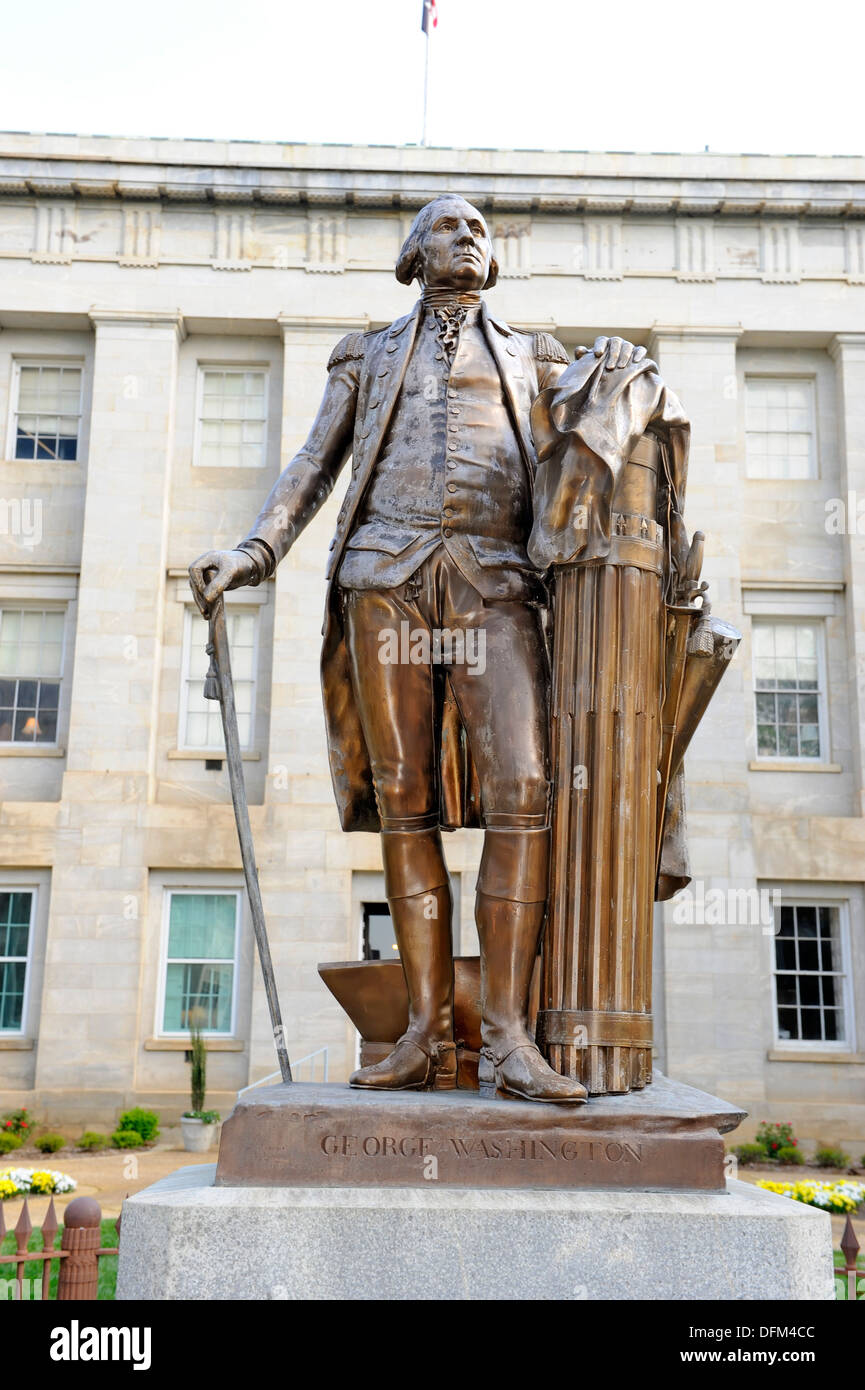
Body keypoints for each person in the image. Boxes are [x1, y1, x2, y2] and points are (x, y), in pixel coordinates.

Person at [189, 194, 644, 1103]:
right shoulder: (366, 351)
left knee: (522, 787)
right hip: (383, 576)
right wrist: (252, 551)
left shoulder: (536, 354)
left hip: (495, 578)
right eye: (449, 226)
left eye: (480, 229)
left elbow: (596, 445)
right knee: (404, 798)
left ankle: (509, 1038)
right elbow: (314, 462)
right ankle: (425, 1035)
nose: (469, 237)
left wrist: (628, 383)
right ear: (413, 252)